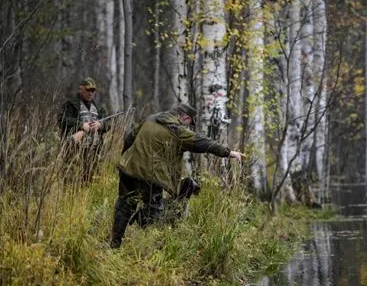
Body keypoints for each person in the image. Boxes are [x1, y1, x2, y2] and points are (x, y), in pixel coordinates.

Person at [110, 103, 244, 248]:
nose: (188, 127)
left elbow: (130, 138)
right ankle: (149, 248)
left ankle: (115, 244)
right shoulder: (177, 131)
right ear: (185, 117)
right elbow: (203, 143)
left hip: (128, 169)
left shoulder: (151, 119)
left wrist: (125, 159)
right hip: (151, 177)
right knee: (153, 215)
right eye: (189, 123)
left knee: (124, 205)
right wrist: (228, 152)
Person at [57, 77, 110, 186]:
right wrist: (81, 125)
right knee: (72, 182)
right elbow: (62, 120)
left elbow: (108, 123)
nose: (90, 93)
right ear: (81, 89)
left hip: (94, 152)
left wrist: (100, 125)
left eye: (93, 91)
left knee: (91, 182)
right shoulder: (71, 104)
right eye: (87, 90)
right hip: (75, 152)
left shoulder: (97, 107)